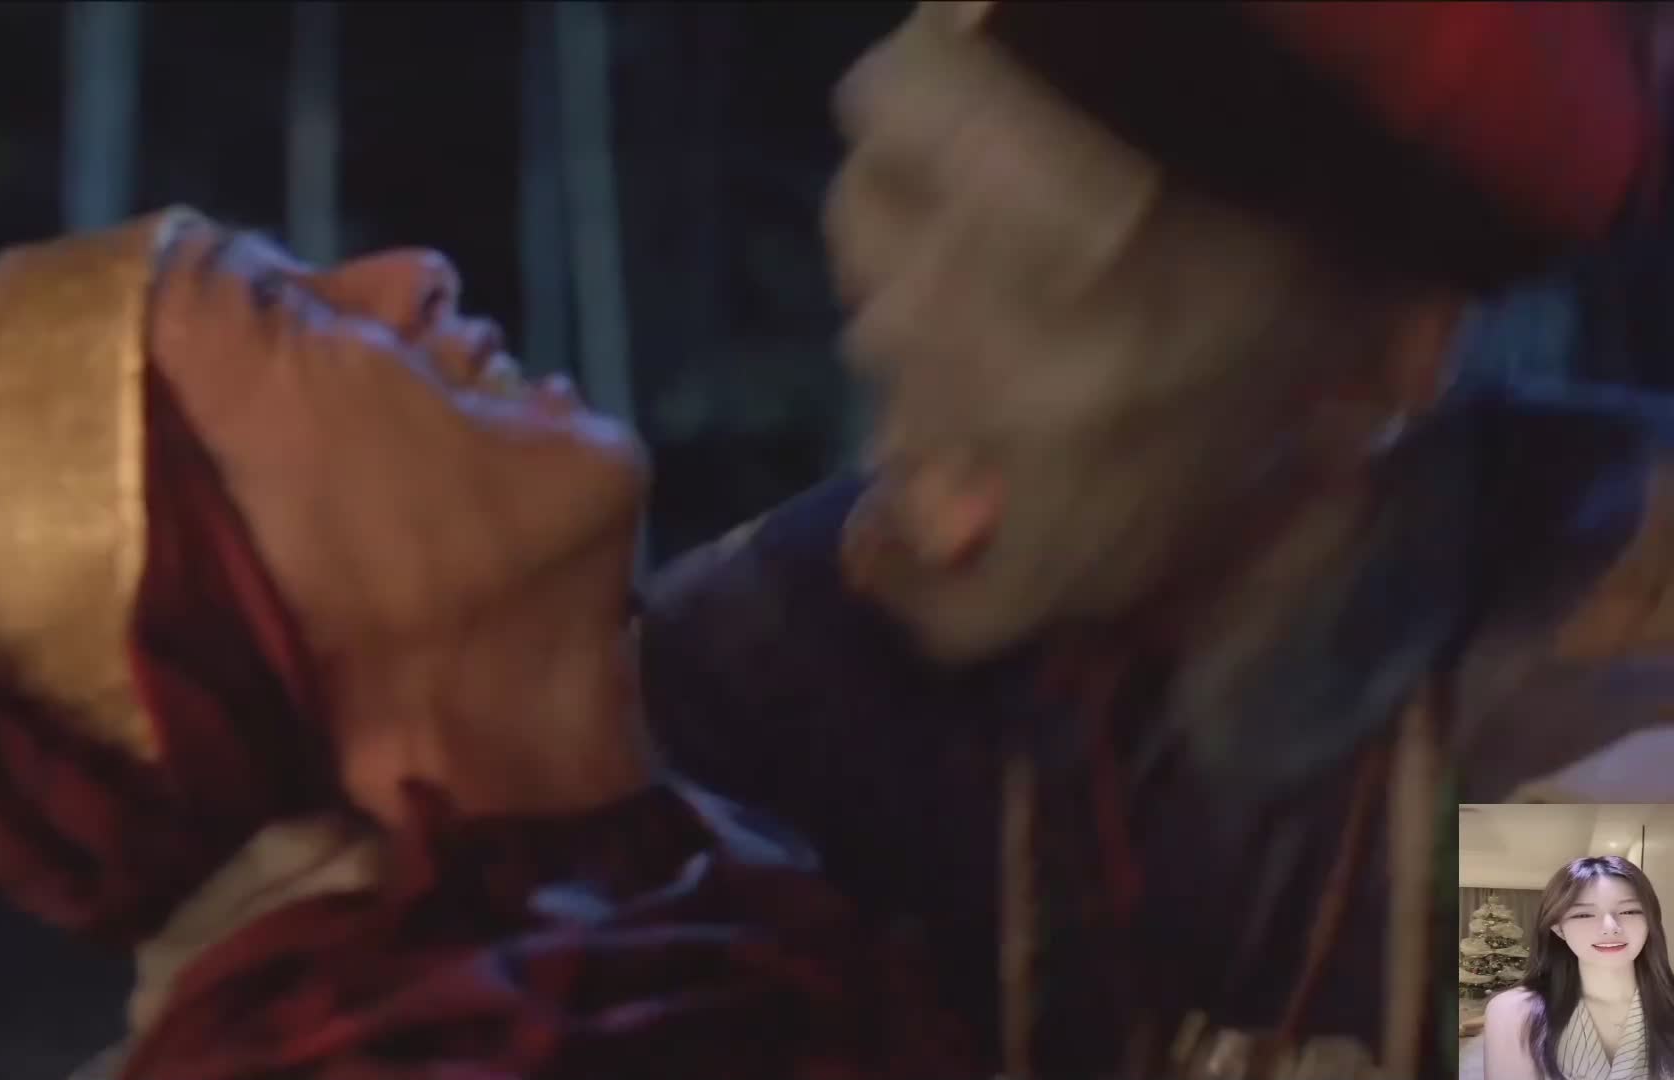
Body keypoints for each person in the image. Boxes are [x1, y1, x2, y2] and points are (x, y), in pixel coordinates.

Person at [639, 3, 1674, 1078]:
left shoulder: (1594, 667)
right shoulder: (765, 656)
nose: (892, 332)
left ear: (1386, 367)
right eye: (905, 200)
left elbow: (1593, 1043)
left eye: (1048, 278)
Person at [0, 210, 976, 1079]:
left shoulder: (838, 666)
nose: (415, 273)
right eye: (280, 310)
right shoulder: (383, 1055)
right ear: (208, 604)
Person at [1482, 856, 1674, 1080]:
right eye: (1583, 914)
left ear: (1650, 920)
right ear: (1558, 927)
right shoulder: (1515, 1012)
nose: (1610, 927)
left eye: (1629, 911)